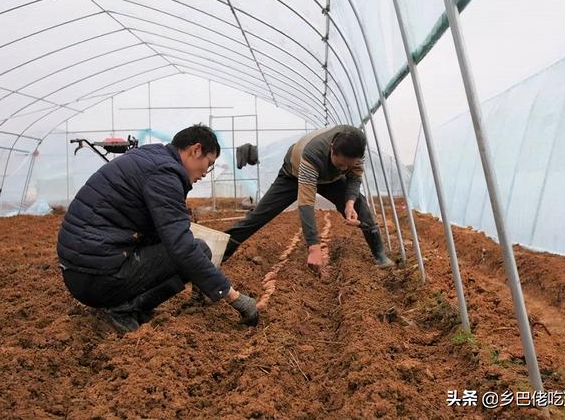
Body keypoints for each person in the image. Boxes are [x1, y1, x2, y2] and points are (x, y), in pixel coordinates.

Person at [57, 124, 258, 333]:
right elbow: (181, 246)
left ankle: (125, 304)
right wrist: (233, 296)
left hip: (83, 269)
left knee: (191, 249)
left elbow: (161, 232)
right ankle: (122, 309)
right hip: (95, 277)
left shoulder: (153, 159)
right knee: (194, 250)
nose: (206, 173)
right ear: (196, 150)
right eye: (209, 163)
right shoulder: (165, 174)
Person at [222, 125, 395, 270]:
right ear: (332, 148)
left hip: (330, 179)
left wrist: (349, 203)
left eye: (347, 165)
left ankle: (379, 255)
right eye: (340, 164)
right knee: (260, 214)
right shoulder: (312, 154)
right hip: (293, 174)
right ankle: (222, 250)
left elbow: (355, 178)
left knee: (359, 204)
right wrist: (314, 246)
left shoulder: (356, 150)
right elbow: (306, 202)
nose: (344, 168)